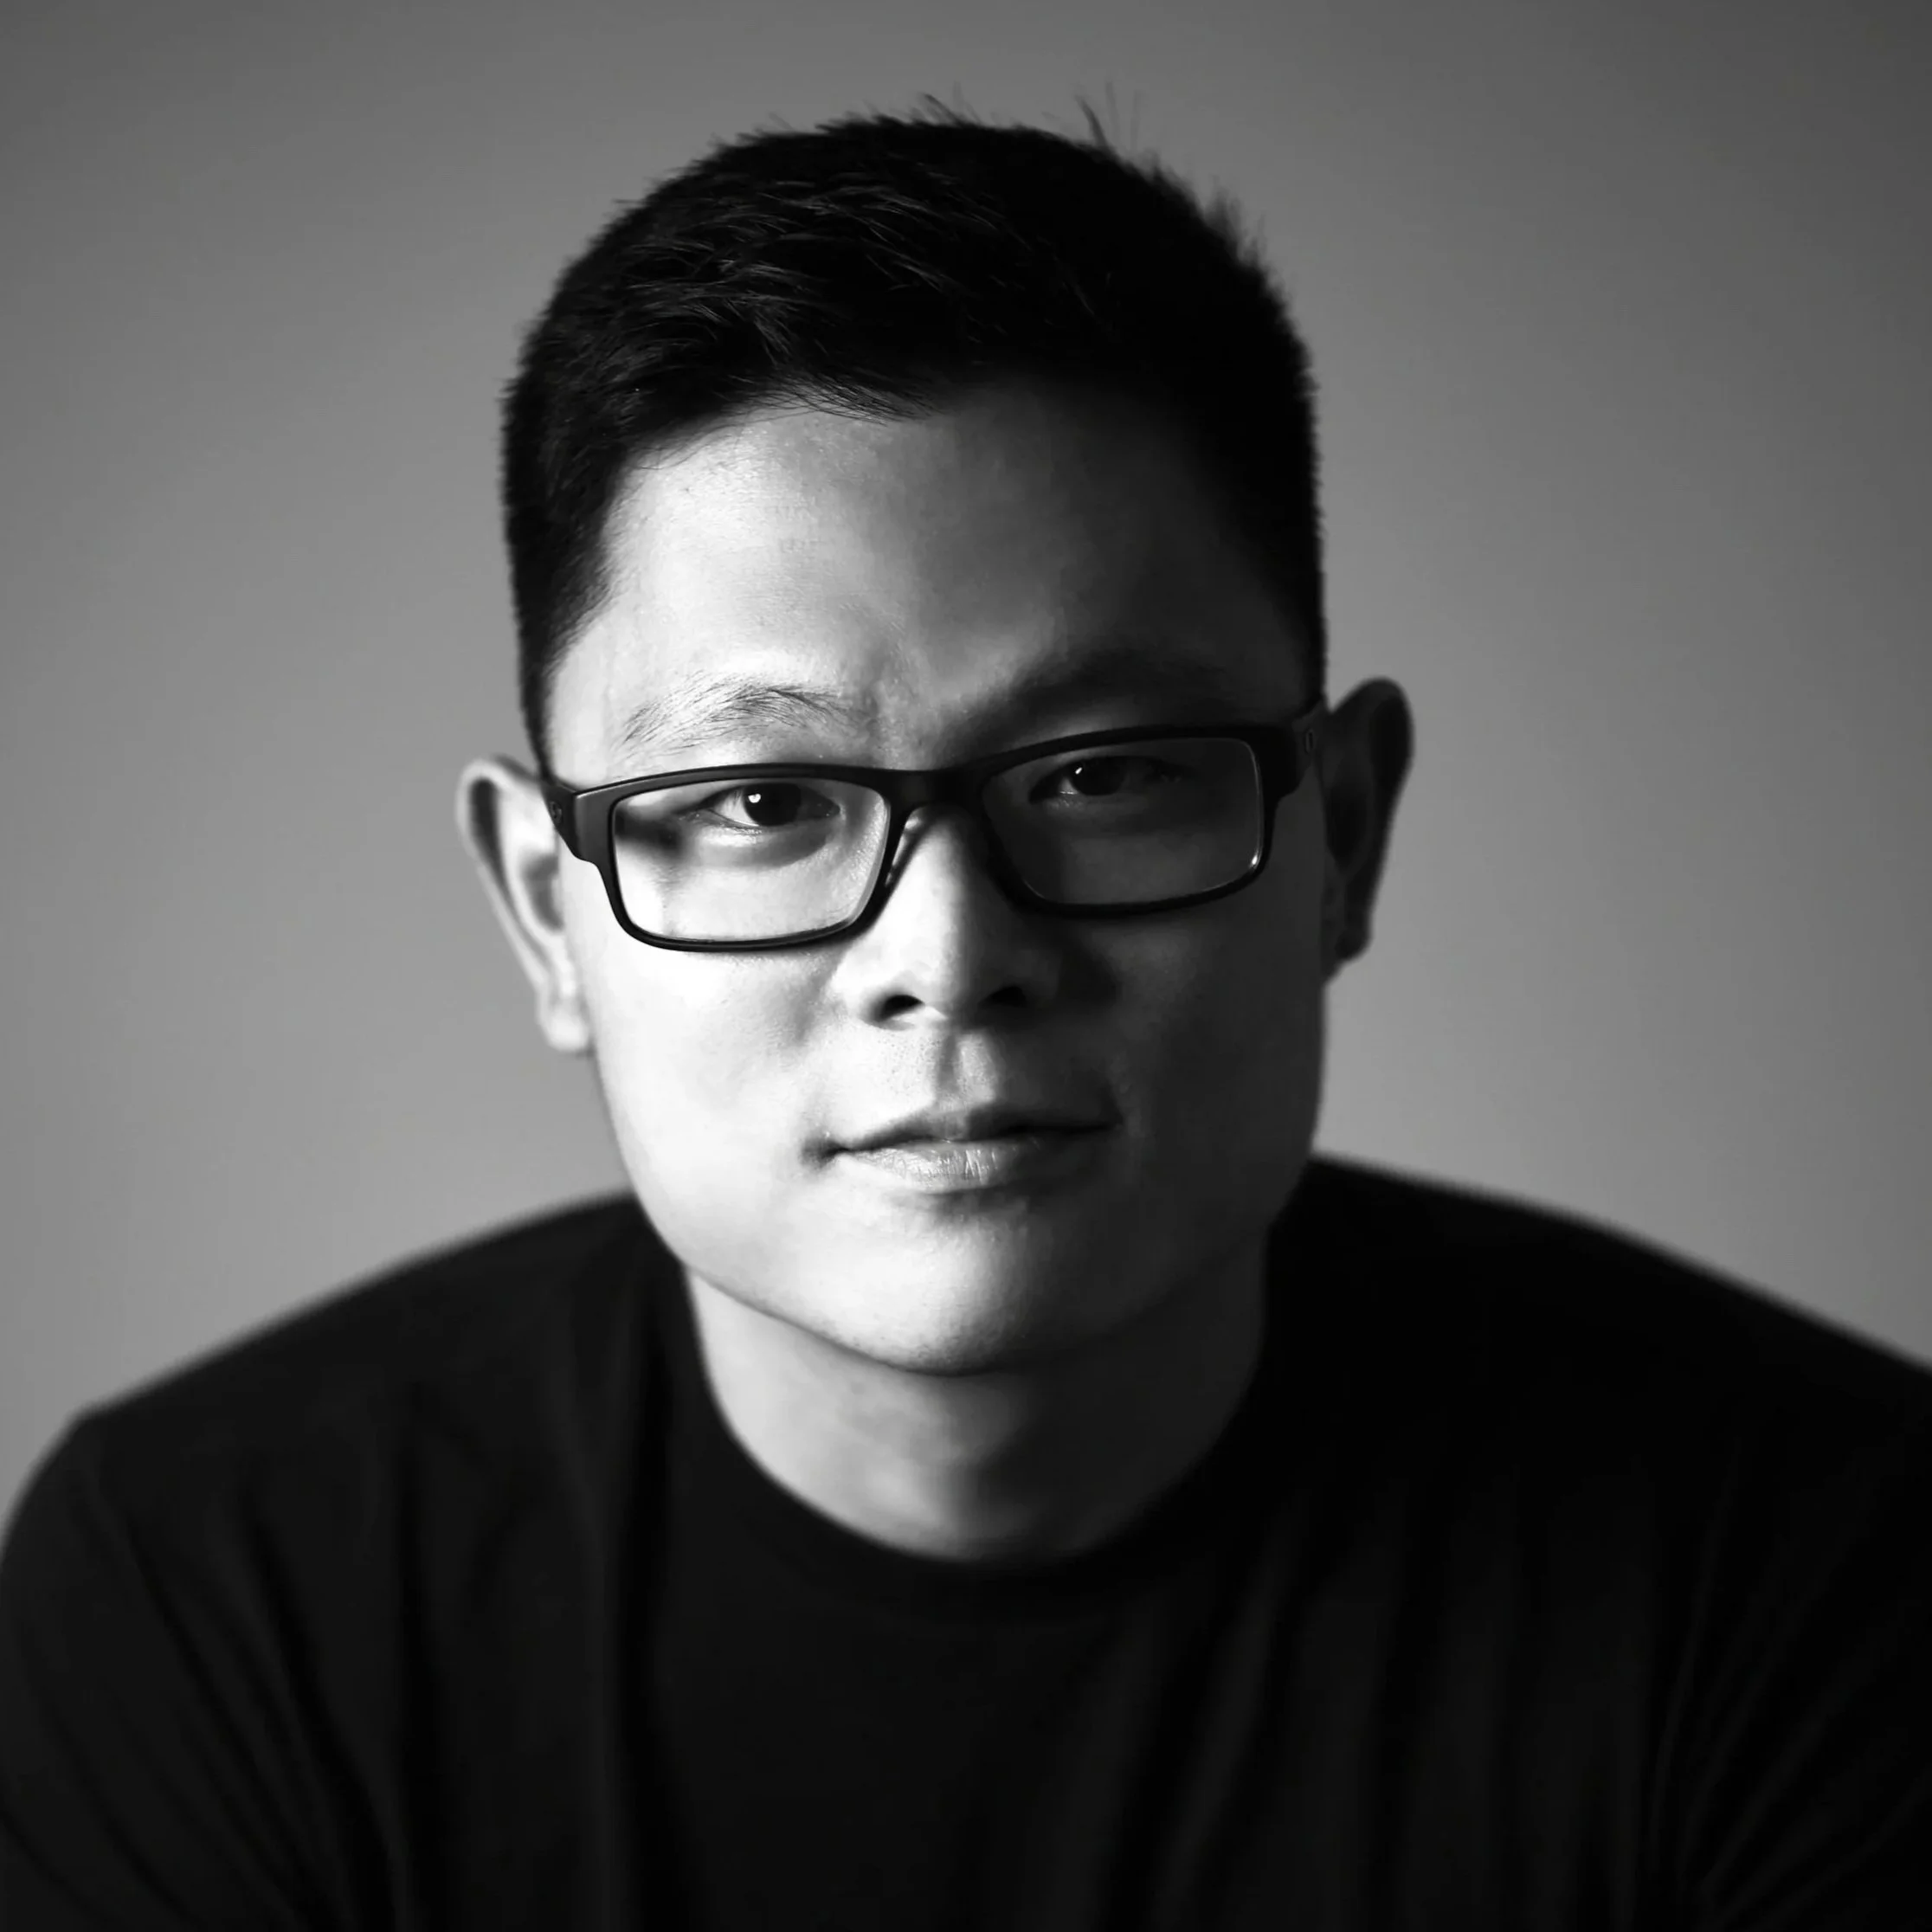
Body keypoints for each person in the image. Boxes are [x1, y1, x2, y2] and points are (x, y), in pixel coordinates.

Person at [3, 96, 1929, 1932]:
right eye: (760, 803)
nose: (951, 950)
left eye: (1099, 777)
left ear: (1338, 835)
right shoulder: (206, 1595)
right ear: (546, 910)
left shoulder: (1826, 1568)